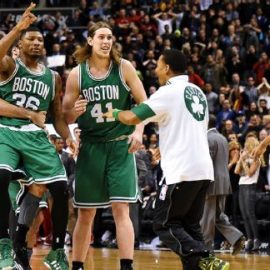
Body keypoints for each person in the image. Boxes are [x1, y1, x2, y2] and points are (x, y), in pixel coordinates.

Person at [103, 49, 229, 270]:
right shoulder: (196, 91)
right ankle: (202, 263)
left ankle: (205, 255)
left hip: (181, 170)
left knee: (164, 224)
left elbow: (133, 116)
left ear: (167, 68)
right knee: (189, 226)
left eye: (158, 66)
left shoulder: (168, 92)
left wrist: (113, 113)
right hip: (202, 169)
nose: (156, 70)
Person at [62, 21, 147, 270]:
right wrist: (74, 114)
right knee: (86, 213)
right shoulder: (77, 74)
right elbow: (65, 117)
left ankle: (127, 265)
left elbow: (144, 104)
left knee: (122, 209)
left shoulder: (124, 68)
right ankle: (77, 265)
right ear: (90, 41)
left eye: (109, 37)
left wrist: (139, 131)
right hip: (91, 147)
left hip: (120, 146)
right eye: (101, 37)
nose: (106, 41)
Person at [0, 3, 74, 269]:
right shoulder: (9, 65)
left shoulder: (52, 78)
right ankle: (5, 246)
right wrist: (18, 27)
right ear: (19, 45)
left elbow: (57, 116)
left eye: (40, 39)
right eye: (30, 38)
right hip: (6, 132)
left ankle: (54, 251)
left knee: (58, 189)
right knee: (4, 178)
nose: (36, 42)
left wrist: (70, 138)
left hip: (35, 137)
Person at [200, 114, 244, 254]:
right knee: (218, 215)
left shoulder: (207, 138)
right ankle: (236, 237)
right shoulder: (222, 138)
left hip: (211, 182)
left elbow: (207, 163)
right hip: (224, 182)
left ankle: (206, 250)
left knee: (207, 218)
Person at [235, 136, 262, 251]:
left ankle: (256, 239)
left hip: (250, 186)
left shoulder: (257, 159)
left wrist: (244, 161)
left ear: (251, 145)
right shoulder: (245, 158)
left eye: (247, 143)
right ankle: (249, 239)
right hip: (242, 186)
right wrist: (241, 159)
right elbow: (236, 171)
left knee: (250, 214)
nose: (245, 145)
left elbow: (250, 173)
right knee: (244, 215)